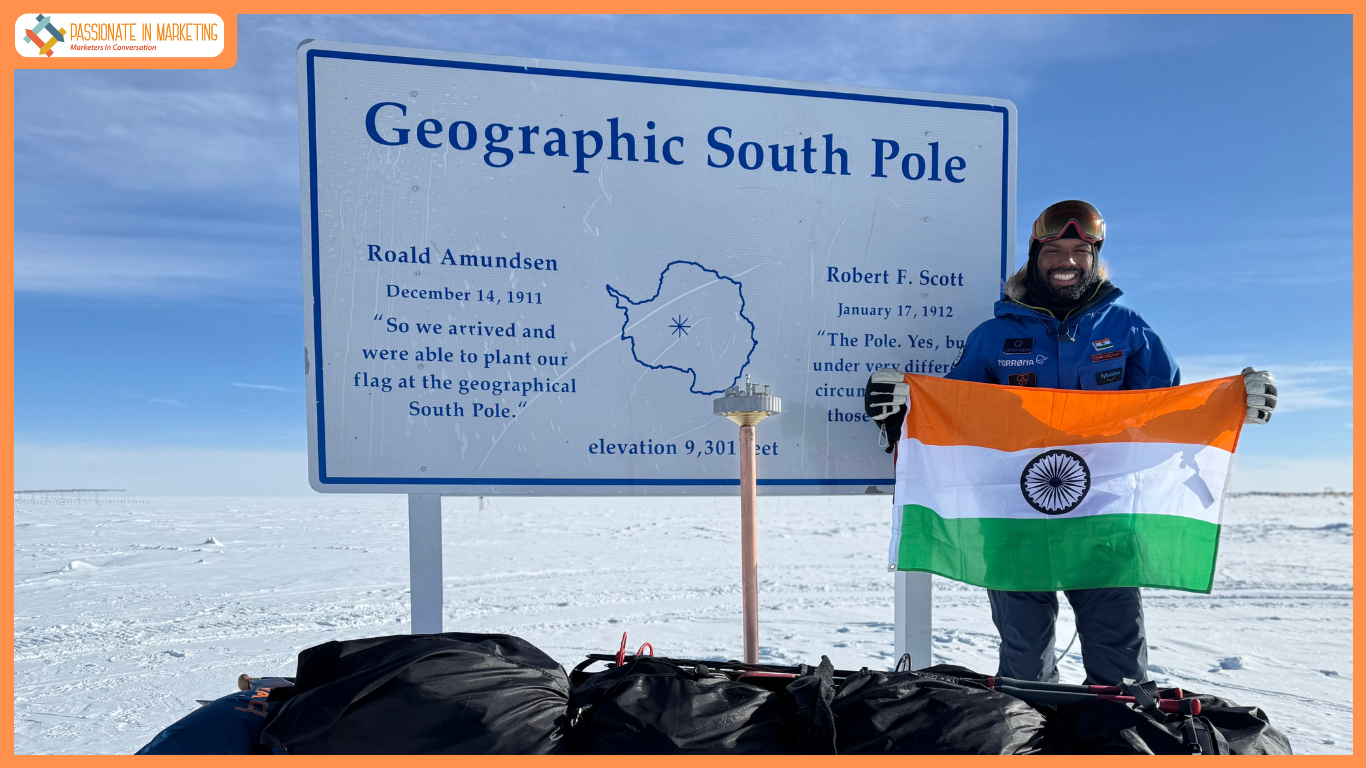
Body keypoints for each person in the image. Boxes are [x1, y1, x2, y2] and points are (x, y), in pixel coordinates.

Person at [863, 199, 1278, 685]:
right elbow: (949, 418)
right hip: (1014, 520)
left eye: (1081, 250)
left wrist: (1236, 402)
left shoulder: (1128, 328)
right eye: (1054, 250)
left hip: (1103, 519)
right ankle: (1032, 729)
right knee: (1025, 665)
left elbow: (1169, 412)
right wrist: (897, 410)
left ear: (1094, 258)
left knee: (1120, 666)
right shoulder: (992, 337)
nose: (1068, 260)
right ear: (1034, 257)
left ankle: (1115, 732)